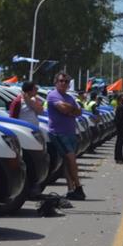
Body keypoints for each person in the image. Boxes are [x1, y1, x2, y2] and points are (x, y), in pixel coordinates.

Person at [47, 72, 85, 200]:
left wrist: (71, 110)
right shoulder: (52, 95)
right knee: (71, 159)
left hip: (70, 132)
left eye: (66, 81)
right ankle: (78, 187)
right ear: (56, 82)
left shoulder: (69, 97)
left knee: (68, 162)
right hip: (58, 133)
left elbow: (79, 112)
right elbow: (64, 109)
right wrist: (71, 110)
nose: (63, 83)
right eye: (61, 81)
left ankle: (70, 189)